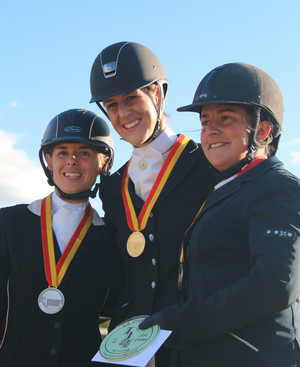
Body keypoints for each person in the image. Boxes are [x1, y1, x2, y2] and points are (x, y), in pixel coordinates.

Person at [139, 63, 300, 367]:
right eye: (204, 121)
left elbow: (274, 284)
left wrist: (176, 323)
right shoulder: (223, 190)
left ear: (263, 130)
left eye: (225, 118)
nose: (210, 130)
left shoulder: (277, 187)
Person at [89, 41, 216, 366]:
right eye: (112, 104)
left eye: (131, 97)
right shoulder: (113, 187)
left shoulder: (207, 164)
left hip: (192, 341)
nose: (123, 113)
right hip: (128, 345)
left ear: (157, 94)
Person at [0, 108, 119, 367]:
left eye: (85, 153)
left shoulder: (111, 238)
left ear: (103, 164)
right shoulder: (8, 223)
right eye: (62, 152)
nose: (72, 160)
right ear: (49, 160)